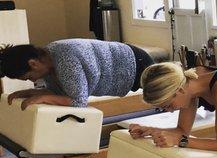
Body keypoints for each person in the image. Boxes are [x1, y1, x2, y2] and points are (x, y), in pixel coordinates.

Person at [0, 39, 154, 109]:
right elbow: (60, 92)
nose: (31, 80)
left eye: (28, 77)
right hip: (128, 59)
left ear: (33, 63)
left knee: (164, 98)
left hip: (135, 63)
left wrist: (42, 97)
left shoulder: (65, 60)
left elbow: (78, 101)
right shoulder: (46, 59)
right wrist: (29, 92)